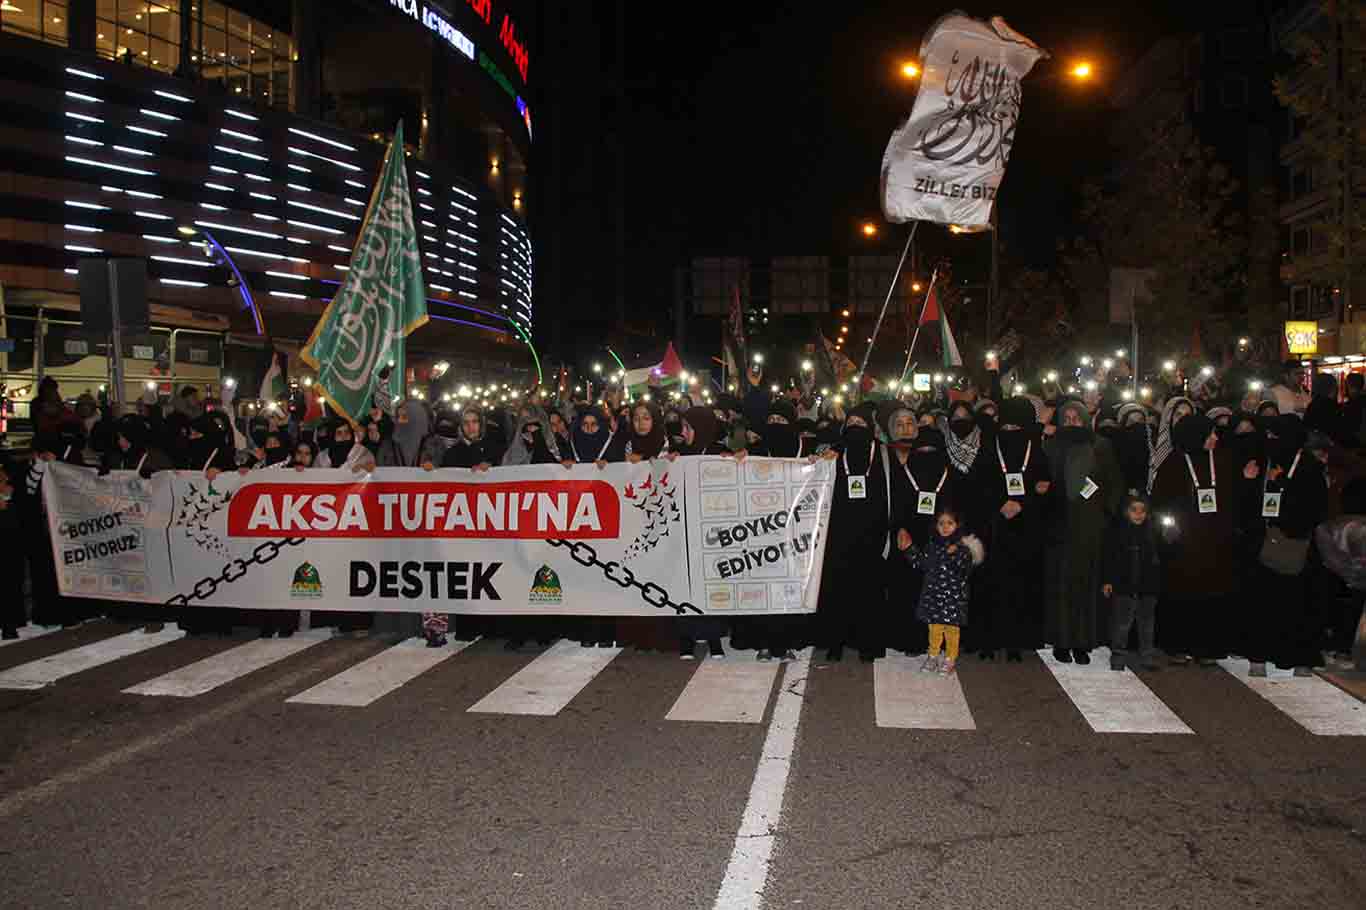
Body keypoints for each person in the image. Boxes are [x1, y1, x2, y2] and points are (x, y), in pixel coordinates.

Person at [1149, 414, 1247, 665]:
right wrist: (1169, 531)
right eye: (1210, 434)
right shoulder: (1174, 464)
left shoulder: (1223, 461)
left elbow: (1235, 498)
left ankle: (1208, 648)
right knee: (1182, 594)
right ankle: (1177, 645)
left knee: (1212, 596)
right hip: (1183, 544)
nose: (1215, 438)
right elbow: (1161, 503)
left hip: (1216, 543)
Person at [1245, 415, 1329, 677]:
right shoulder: (1265, 460)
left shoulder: (1309, 467)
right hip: (1267, 544)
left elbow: (1313, 509)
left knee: (1298, 604)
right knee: (1263, 604)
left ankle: (1298, 657)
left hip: (1299, 547)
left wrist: (1282, 483)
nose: (1269, 441)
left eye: (1275, 437)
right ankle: (1258, 656)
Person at [1042, 398, 1124, 664]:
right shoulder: (1052, 446)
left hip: (1090, 526)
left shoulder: (1100, 446)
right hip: (1060, 525)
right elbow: (1045, 480)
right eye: (1067, 419)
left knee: (1086, 584)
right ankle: (1062, 641)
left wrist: (1104, 512)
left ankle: (1082, 641)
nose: (1072, 423)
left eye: (1077, 418)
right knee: (1062, 585)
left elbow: (1113, 483)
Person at [969, 397, 1051, 662]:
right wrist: (1001, 503)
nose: (1011, 432)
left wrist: (1023, 503)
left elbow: (1045, 484)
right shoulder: (989, 445)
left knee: (1021, 584)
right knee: (990, 582)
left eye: (1017, 427)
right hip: (994, 524)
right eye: (1007, 427)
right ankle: (988, 641)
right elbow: (979, 483)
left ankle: (1017, 640)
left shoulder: (1037, 448)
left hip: (1026, 527)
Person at [815, 403, 892, 661]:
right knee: (838, 589)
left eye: (861, 424)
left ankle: (867, 643)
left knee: (869, 591)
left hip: (873, 534)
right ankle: (836, 642)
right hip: (840, 534)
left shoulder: (883, 453)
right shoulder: (835, 454)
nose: (855, 429)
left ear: (870, 427)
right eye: (850, 425)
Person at [896, 504, 984, 675]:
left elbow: (965, 570)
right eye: (941, 523)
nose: (945, 527)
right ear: (935, 526)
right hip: (934, 597)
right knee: (934, 630)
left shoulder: (964, 548)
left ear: (957, 525)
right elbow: (922, 564)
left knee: (952, 631)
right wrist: (909, 549)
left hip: (953, 599)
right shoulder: (932, 545)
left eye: (949, 523)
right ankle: (933, 656)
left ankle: (950, 658)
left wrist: (956, 553)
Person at [1102, 494, 1162, 671]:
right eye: (1134, 510)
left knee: (1147, 626)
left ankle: (1147, 657)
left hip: (1147, 588)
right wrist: (1107, 581)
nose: (1138, 514)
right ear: (1125, 511)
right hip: (1124, 587)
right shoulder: (1117, 532)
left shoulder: (1152, 532)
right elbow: (1109, 559)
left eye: (1143, 510)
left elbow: (1159, 560)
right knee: (1121, 625)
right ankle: (1118, 657)